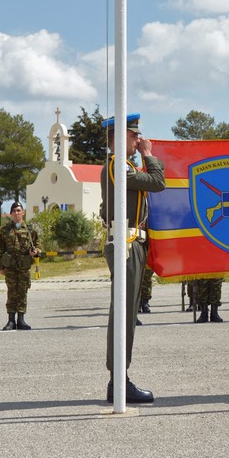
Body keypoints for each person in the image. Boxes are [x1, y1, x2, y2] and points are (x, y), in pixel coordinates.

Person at [100, 113, 166, 403]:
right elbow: (156, 182)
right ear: (119, 138)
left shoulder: (123, 165)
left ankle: (120, 378)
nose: (139, 140)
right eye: (134, 135)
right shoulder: (117, 165)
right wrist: (149, 155)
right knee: (124, 313)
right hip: (125, 244)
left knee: (128, 312)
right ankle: (118, 380)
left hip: (131, 242)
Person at [0, 201, 40, 330]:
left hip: (24, 267)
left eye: (19, 210)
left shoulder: (30, 230)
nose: (16, 213)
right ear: (11, 213)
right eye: (14, 211)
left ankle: (21, 320)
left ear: (23, 213)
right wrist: (0, 266)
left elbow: (38, 246)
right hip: (10, 267)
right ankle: (10, 321)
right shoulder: (5, 230)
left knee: (22, 293)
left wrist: (35, 252)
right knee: (11, 293)